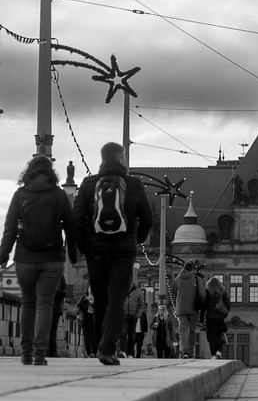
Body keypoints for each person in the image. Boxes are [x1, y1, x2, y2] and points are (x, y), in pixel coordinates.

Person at [74, 142, 154, 365]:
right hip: (123, 251)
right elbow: (147, 219)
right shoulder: (134, 184)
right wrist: (135, 240)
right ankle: (107, 349)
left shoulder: (89, 184)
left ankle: (101, 345)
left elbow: (76, 219)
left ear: (102, 159)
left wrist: (85, 247)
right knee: (117, 299)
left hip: (96, 251)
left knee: (100, 300)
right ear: (121, 159)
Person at [2, 155, 81, 366]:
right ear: (50, 173)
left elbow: (9, 229)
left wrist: (3, 256)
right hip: (52, 258)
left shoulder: (20, 194)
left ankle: (25, 353)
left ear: (29, 172)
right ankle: (39, 354)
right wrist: (73, 254)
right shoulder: (59, 195)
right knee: (45, 303)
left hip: (25, 257)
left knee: (28, 304)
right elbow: (71, 228)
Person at [174, 261, 202, 358]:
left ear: (183, 268)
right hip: (194, 308)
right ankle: (191, 352)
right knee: (192, 330)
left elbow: (173, 293)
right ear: (191, 269)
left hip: (181, 309)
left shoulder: (177, 279)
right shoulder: (196, 279)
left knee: (183, 330)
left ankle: (184, 351)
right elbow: (201, 294)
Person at [199, 275, 231, 359]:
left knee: (212, 337)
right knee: (219, 335)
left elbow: (204, 307)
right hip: (220, 318)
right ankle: (218, 352)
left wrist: (201, 318)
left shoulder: (207, 292)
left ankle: (213, 354)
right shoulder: (222, 291)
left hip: (210, 318)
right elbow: (228, 303)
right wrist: (225, 314)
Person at [123, 287, 148, 359]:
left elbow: (145, 323)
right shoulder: (122, 288)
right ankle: (127, 352)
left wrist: (145, 331)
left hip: (139, 331)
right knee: (124, 334)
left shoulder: (143, 314)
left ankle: (134, 355)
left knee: (133, 339)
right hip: (125, 316)